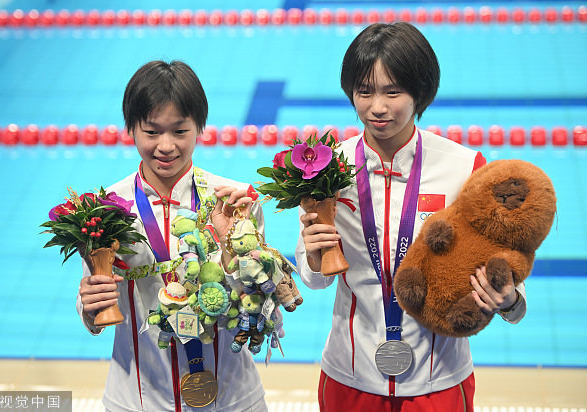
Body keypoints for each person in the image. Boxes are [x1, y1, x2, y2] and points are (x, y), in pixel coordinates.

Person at [296, 22, 526, 411]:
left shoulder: (464, 167)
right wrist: (314, 257)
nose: (377, 107)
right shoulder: (326, 167)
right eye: (364, 91)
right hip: (350, 376)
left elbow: (506, 271)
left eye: (393, 92)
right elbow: (314, 278)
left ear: (420, 92)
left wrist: (510, 301)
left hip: (439, 381)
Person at [78, 60, 267, 412]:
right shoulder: (105, 211)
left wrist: (231, 252)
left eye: (180, 131)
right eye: (151, 132)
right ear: (131, 128)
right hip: (136, 399)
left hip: (233, 399)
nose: (165, 146)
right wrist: (89, 308)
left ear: (200, 128)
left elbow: (260, 306)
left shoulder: (236, 202)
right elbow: (95, 298)